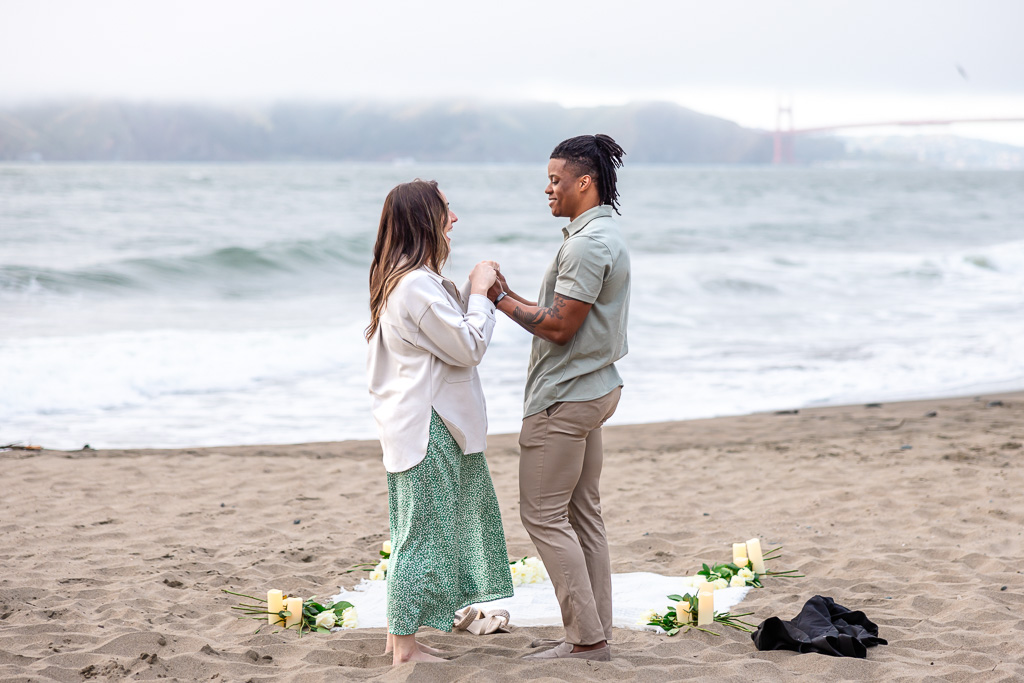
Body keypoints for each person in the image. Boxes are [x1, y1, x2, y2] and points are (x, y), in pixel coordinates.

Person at [493, 134, 629, 662]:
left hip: (566, 399)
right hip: (595, 388)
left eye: (555, 180)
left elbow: (559, 329)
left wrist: (498, 298)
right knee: (582, 513)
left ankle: (587, 640)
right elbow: (563, 313)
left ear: (583, 182)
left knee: (543, 517)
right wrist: (513, 296)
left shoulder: (587, 244)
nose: (547, 188)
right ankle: (595, 632)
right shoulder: (602, 234)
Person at [366, 179, 513, 665]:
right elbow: (469, 347)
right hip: (430, 425)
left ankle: (398, 638)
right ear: (425, 219)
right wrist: (481, 292)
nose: (454, 219)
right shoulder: (416, 286)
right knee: (422, 539)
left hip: (414, 421)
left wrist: (470, 291)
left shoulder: (405, 281)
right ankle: (405, 651)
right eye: (447, 210)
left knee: (413, 531)